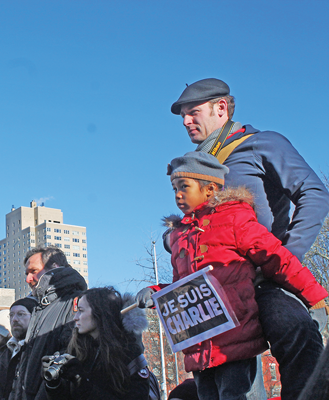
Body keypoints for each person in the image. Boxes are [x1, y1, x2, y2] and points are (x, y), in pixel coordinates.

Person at [169, 78, 329, 400]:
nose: (185, 121)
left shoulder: (262, 143)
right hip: (216, 291)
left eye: (193, 112)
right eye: (182, 115)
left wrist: (287, 255)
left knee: (294, 328)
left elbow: (314, 194)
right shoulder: (194, 170)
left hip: (262, 278)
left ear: (222, 108)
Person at [137, 152, 327, 400]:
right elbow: (180, 286)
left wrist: (315, 297)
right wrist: (156, 292)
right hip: (198, 345)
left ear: (210, 189)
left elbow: (278, 259)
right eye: (174, 189)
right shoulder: (179, 237)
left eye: (184, 187)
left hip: (235, 340)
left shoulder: (235, 220)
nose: (178, 195)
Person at [41, 287, 153, 400]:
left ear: (99, 313)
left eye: (81, 310)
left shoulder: (129, 352)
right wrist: (53, 384)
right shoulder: (76, 349)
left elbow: (138, 396)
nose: (75, 318)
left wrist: (83, 383)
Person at [15, 246, 88, 400]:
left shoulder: (76, 302)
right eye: (26, 273)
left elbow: (69, 358)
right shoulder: (41, 308)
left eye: (33, 271)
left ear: (55, 268)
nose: (28, 279)